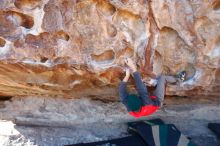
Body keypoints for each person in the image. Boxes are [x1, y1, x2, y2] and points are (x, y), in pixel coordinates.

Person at [119, 58, 185, 118]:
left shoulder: (127, 103)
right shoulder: (147, 103)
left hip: (148, 99)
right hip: (157, 100)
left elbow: (121, 90)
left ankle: (155, 82)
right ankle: (179, 79)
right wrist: (133, 67)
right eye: (138, 96)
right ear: (140, 101)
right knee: (162, 78)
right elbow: (141, 89)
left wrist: (127, 76)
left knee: (150, 81)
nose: (137, 95)